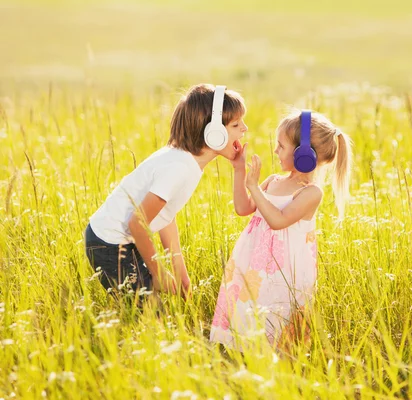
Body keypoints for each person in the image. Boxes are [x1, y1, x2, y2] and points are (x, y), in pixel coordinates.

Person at [85, 84, 247, 299]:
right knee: (150, 318)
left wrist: (181, 275)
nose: (244, 129)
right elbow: (137, 222)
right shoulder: (179, 168)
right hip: (108, 244)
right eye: (236, 124)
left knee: (157, 310)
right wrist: (159, 272)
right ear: (213, 133)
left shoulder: (187, 161)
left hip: (121, 240)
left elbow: (165, 216)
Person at [210, 109, 352, 349]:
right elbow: (243, 208)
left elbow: (278, 220)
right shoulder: (274, 181)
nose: (275, 151)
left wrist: (254, 187)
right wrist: (239, 169)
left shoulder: (310, 193)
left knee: (278, 322)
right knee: (249, 310)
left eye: (281, 146)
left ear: (303, 155)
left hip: (283, 272)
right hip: (255, 264)